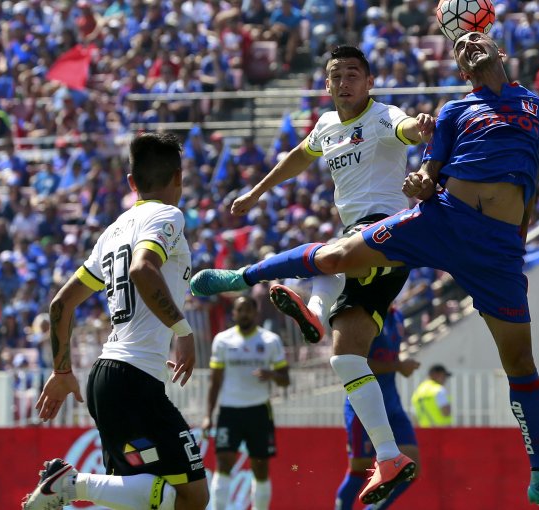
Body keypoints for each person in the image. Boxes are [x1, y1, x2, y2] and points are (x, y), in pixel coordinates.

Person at [191, 32, 539, 509]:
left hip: (494, 250)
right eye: (461, 45)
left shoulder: (535, 107)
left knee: (520, 364)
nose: (469, 45)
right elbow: (428, 167)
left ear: (502, 53)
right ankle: (245, 279)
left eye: (479, 39)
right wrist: (422, 179)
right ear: (460, 71)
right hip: (442, 219)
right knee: (337, 281)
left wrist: (517, 234)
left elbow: (526, 173)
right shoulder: (456, 112)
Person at [226, 45, 435, 505]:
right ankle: (389, 457)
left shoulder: (382, 116)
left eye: (353, 74)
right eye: (336, 75)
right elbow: (298, 158)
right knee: (344, 359)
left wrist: (418, 128)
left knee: (330, 255)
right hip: (361, 246)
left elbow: (404, 128)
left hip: (387, 232)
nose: (344, 82)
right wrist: (258, 191)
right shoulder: (325, 126)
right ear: (326, 85)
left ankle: (303, 303)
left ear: (369, 82)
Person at [22, 133, 209, 510]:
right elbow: (143, 269)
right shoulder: (168, 215)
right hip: (133, 382)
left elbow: (60, 304)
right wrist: (182, 332)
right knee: (192, 497)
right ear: (179, 178)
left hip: (110, 377)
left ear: (131, 183)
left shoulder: (113, 230)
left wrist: (61, 372)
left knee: (144, 497)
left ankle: (73, 486)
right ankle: (72, 484)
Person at [203, 296, 290, 510]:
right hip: (229, 411)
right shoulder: (222, 340)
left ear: (255, 312)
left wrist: (271, 374)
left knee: (260, 469)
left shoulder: (270, 340)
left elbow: (285, 379)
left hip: (259, 411)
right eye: (239, 310)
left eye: (248, 310)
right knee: (223, 463)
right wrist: (208, 415)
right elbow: (215, 382)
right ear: (233, 313)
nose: (244, 314)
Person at [336, 306, 421, 510]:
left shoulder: (397, 315)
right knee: (358, 471)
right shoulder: (365, 314)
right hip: (363, 408)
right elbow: (357, 363)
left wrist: (399, 364)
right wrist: (398, 366)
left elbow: (388, 356)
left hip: (392, 404)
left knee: (410, 469)